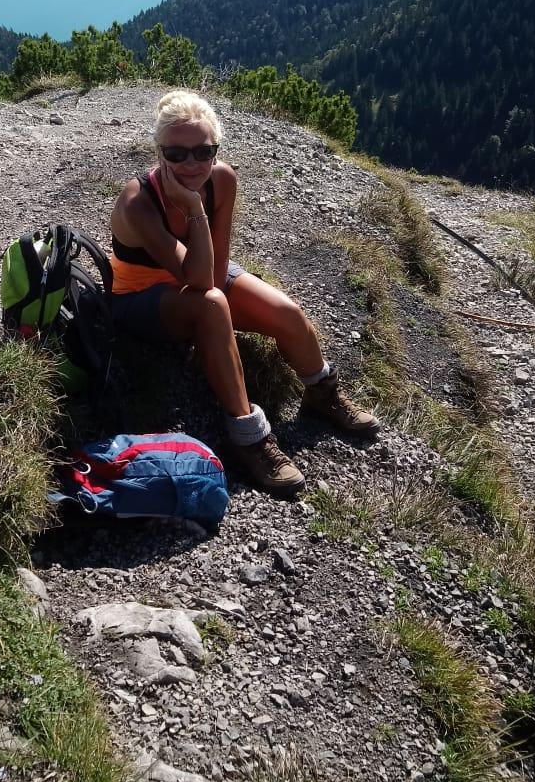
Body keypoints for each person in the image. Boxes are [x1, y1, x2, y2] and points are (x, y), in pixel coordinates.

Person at [109, 90, 378, 498]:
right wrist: (194, 209)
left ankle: (323, 392)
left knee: (286, 313)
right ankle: (249, 437)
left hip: (199, 278)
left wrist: (215, 320)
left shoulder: (222, 180)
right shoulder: (139, 201)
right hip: (138, 295)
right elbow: (201, 284)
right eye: (176, 154)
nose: (191, 164)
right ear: (159, 152)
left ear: (216, 149)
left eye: (203, 151)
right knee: (212, 305)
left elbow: (215, 271)